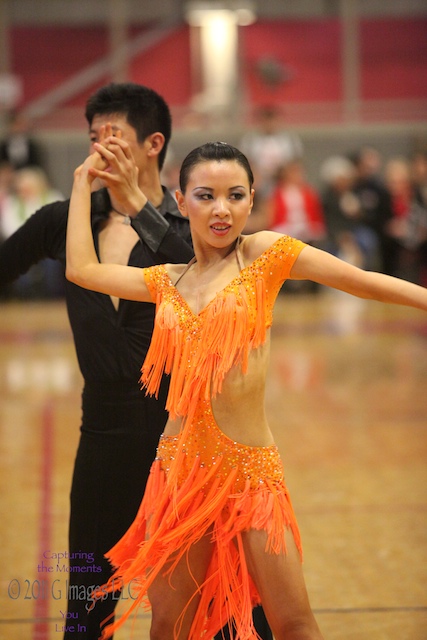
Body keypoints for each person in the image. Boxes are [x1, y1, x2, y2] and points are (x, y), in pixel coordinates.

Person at [66, 140, 427, 640]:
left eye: (235, 195)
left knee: (294, 623)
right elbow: (81, 271)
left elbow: (361, 280)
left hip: (252, 475)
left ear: (252, 198)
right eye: (206, 195)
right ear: (181, 199)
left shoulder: (263, 256)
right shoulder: (166, 280)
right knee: (170, 624)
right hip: (181, 474)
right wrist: (82, 184)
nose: (221, 209)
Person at [0, 83, 196, 640]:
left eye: (114, 139)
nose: (99, 152)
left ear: (154, 143)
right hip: (101, 441)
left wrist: (138, 209)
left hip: (178, 442)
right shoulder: (66, 222)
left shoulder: (187, 230)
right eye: (93, 140)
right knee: (86, 610)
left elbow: (202, 281)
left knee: (194, 609)